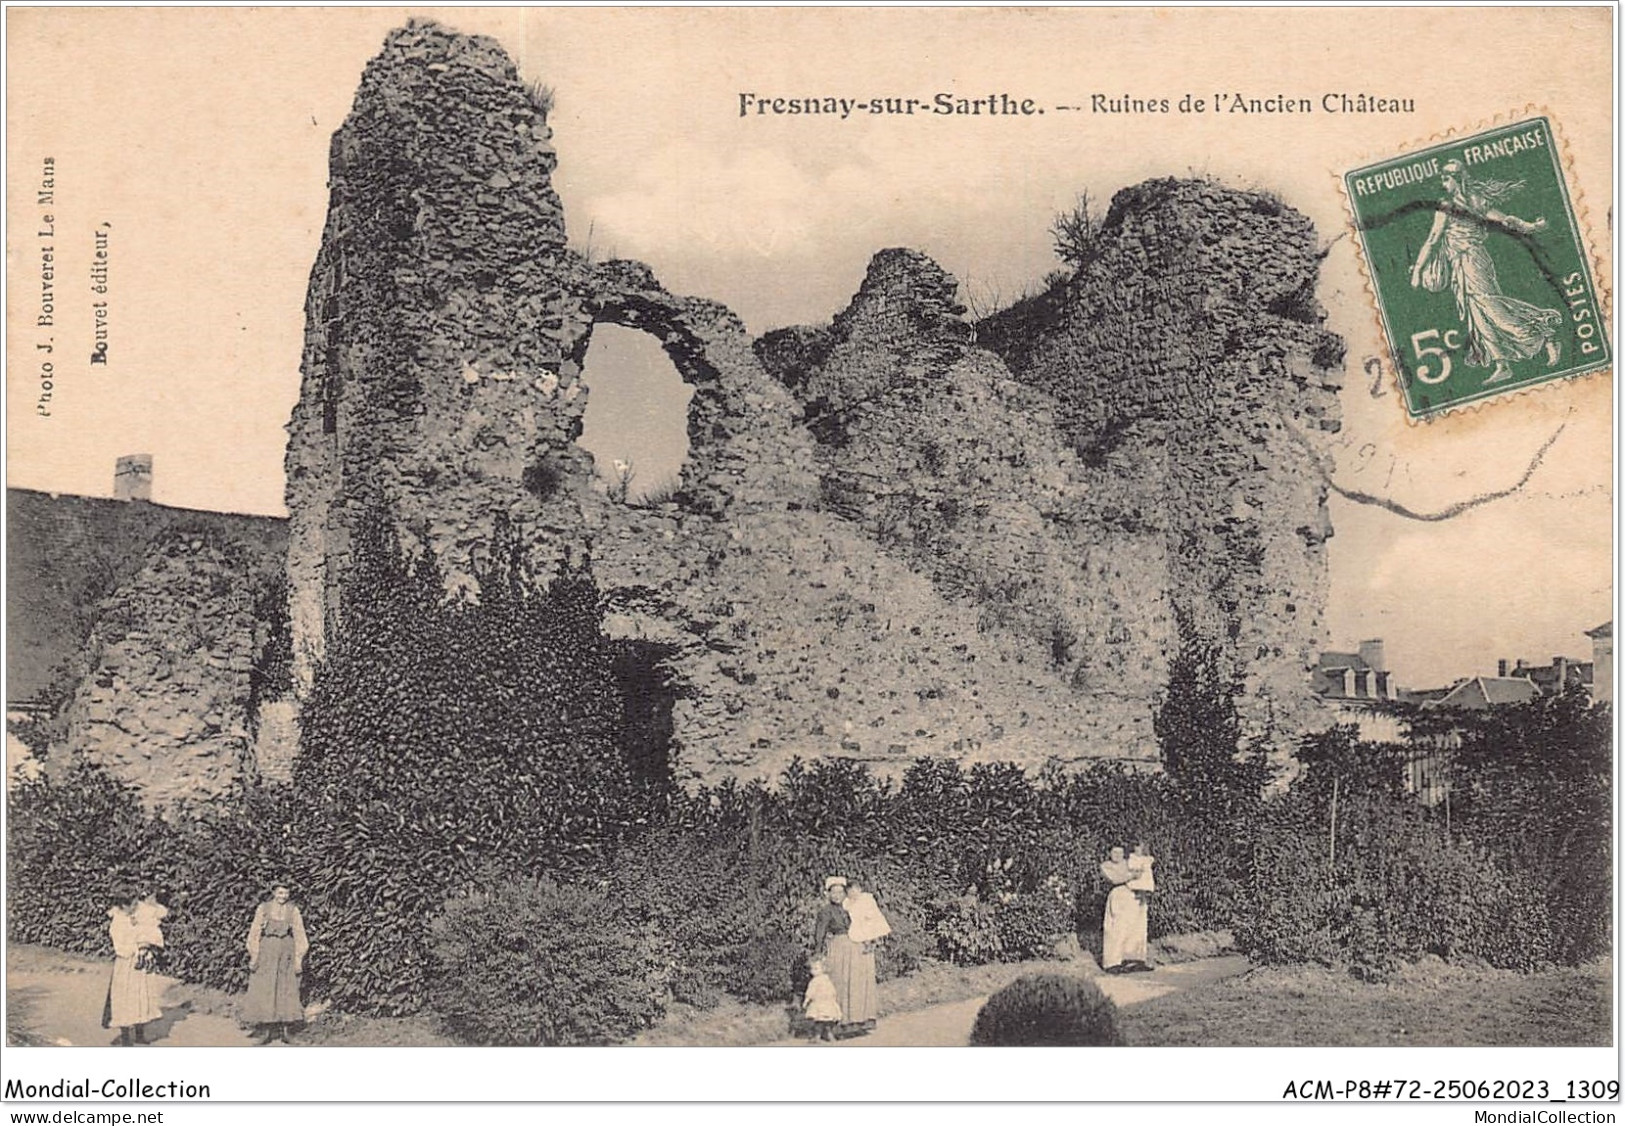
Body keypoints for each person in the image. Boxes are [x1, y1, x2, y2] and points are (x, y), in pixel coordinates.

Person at [1410, 159, 1562, 385]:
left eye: (1446, 178)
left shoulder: (1457, 204)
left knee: (1492, 307)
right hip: (1460, 265)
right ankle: (1502, 364)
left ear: (1457, 179)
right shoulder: (1467, 201)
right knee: (1477, 314)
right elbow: (1506, 220)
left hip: (1473, 261)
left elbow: (1434, 239)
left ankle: (1544, 334)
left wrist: (1418, 270)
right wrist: (1529, 226)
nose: (1444, 183)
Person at [243, 883, 309, 1044]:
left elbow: (300, 934)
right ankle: (266, 1031)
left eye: (286, 893)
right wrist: (254, 955)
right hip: (267, 952)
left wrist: (298, 958)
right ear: (274, 893)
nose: (283, 897)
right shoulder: (263, 909)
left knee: (287, 988)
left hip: (286, 952)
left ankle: (287, 1032)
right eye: (280, 893)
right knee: (266, 988)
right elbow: (255, 932)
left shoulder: (293, 910)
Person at [102, 889, 164, 1045]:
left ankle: (139, 1033)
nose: (137, 907)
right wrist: (139, 948)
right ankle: (125, 1037)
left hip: (139, 962)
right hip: (126, 964)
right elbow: (121, 948)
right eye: (134, 904)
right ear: (123, 905)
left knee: (141, 995)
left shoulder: (133, 917)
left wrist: (146, 945)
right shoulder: (117, 923)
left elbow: (154, 918)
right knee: (125, 999)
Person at [811, 875, 869, 1038]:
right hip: (838, 947)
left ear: (845, 893)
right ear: (828, 894)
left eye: (840, 892)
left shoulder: (850, 908)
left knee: (854, 983)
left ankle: (854, 1021)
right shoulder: (826, 911)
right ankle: (836, 1025)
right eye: (833, 893)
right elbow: (820, 932)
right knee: (840, 983)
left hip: (854, 946)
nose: (837, 896)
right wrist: (818, 951)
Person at [841, 879, 887, 1031]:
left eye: (855, 890)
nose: (853, 893)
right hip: (852, 942)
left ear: (860, 889)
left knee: (865, 979)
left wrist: (871, 939)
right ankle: (855, 1017)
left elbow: (874, 921)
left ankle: (867, 1016)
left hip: (867, 941)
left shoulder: (867, 900)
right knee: (854, 981)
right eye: (850, 891)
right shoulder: (846, 903)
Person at [1099, 846, 1140, 974]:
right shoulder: (1106, 865)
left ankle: (1128, 961)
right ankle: (1111, 963)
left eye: (1120, 852)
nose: (1117, 855)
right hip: (1117, 895)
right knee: (1114, 929)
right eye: (1114, 852)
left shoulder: (1128, 863)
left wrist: (1132, 875)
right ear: (1109, 853)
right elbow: (1114, 879)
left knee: (1131, 927)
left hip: (1131, 895)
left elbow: (1141, 873)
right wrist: (1131, 876)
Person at [802, 956, 842, 1042]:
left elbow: (831, 989)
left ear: (823, 969)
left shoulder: (822, 980)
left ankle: (828, 1034)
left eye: (816, 969)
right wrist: (807, 1000)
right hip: (820, 1003)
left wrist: (833, 998)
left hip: (825, 1003)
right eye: (812, 969)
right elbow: (810, 992)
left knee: (826, 1021)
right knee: (820, 1022)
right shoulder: (817, 980)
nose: (813, 971)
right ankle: (818, 1036)